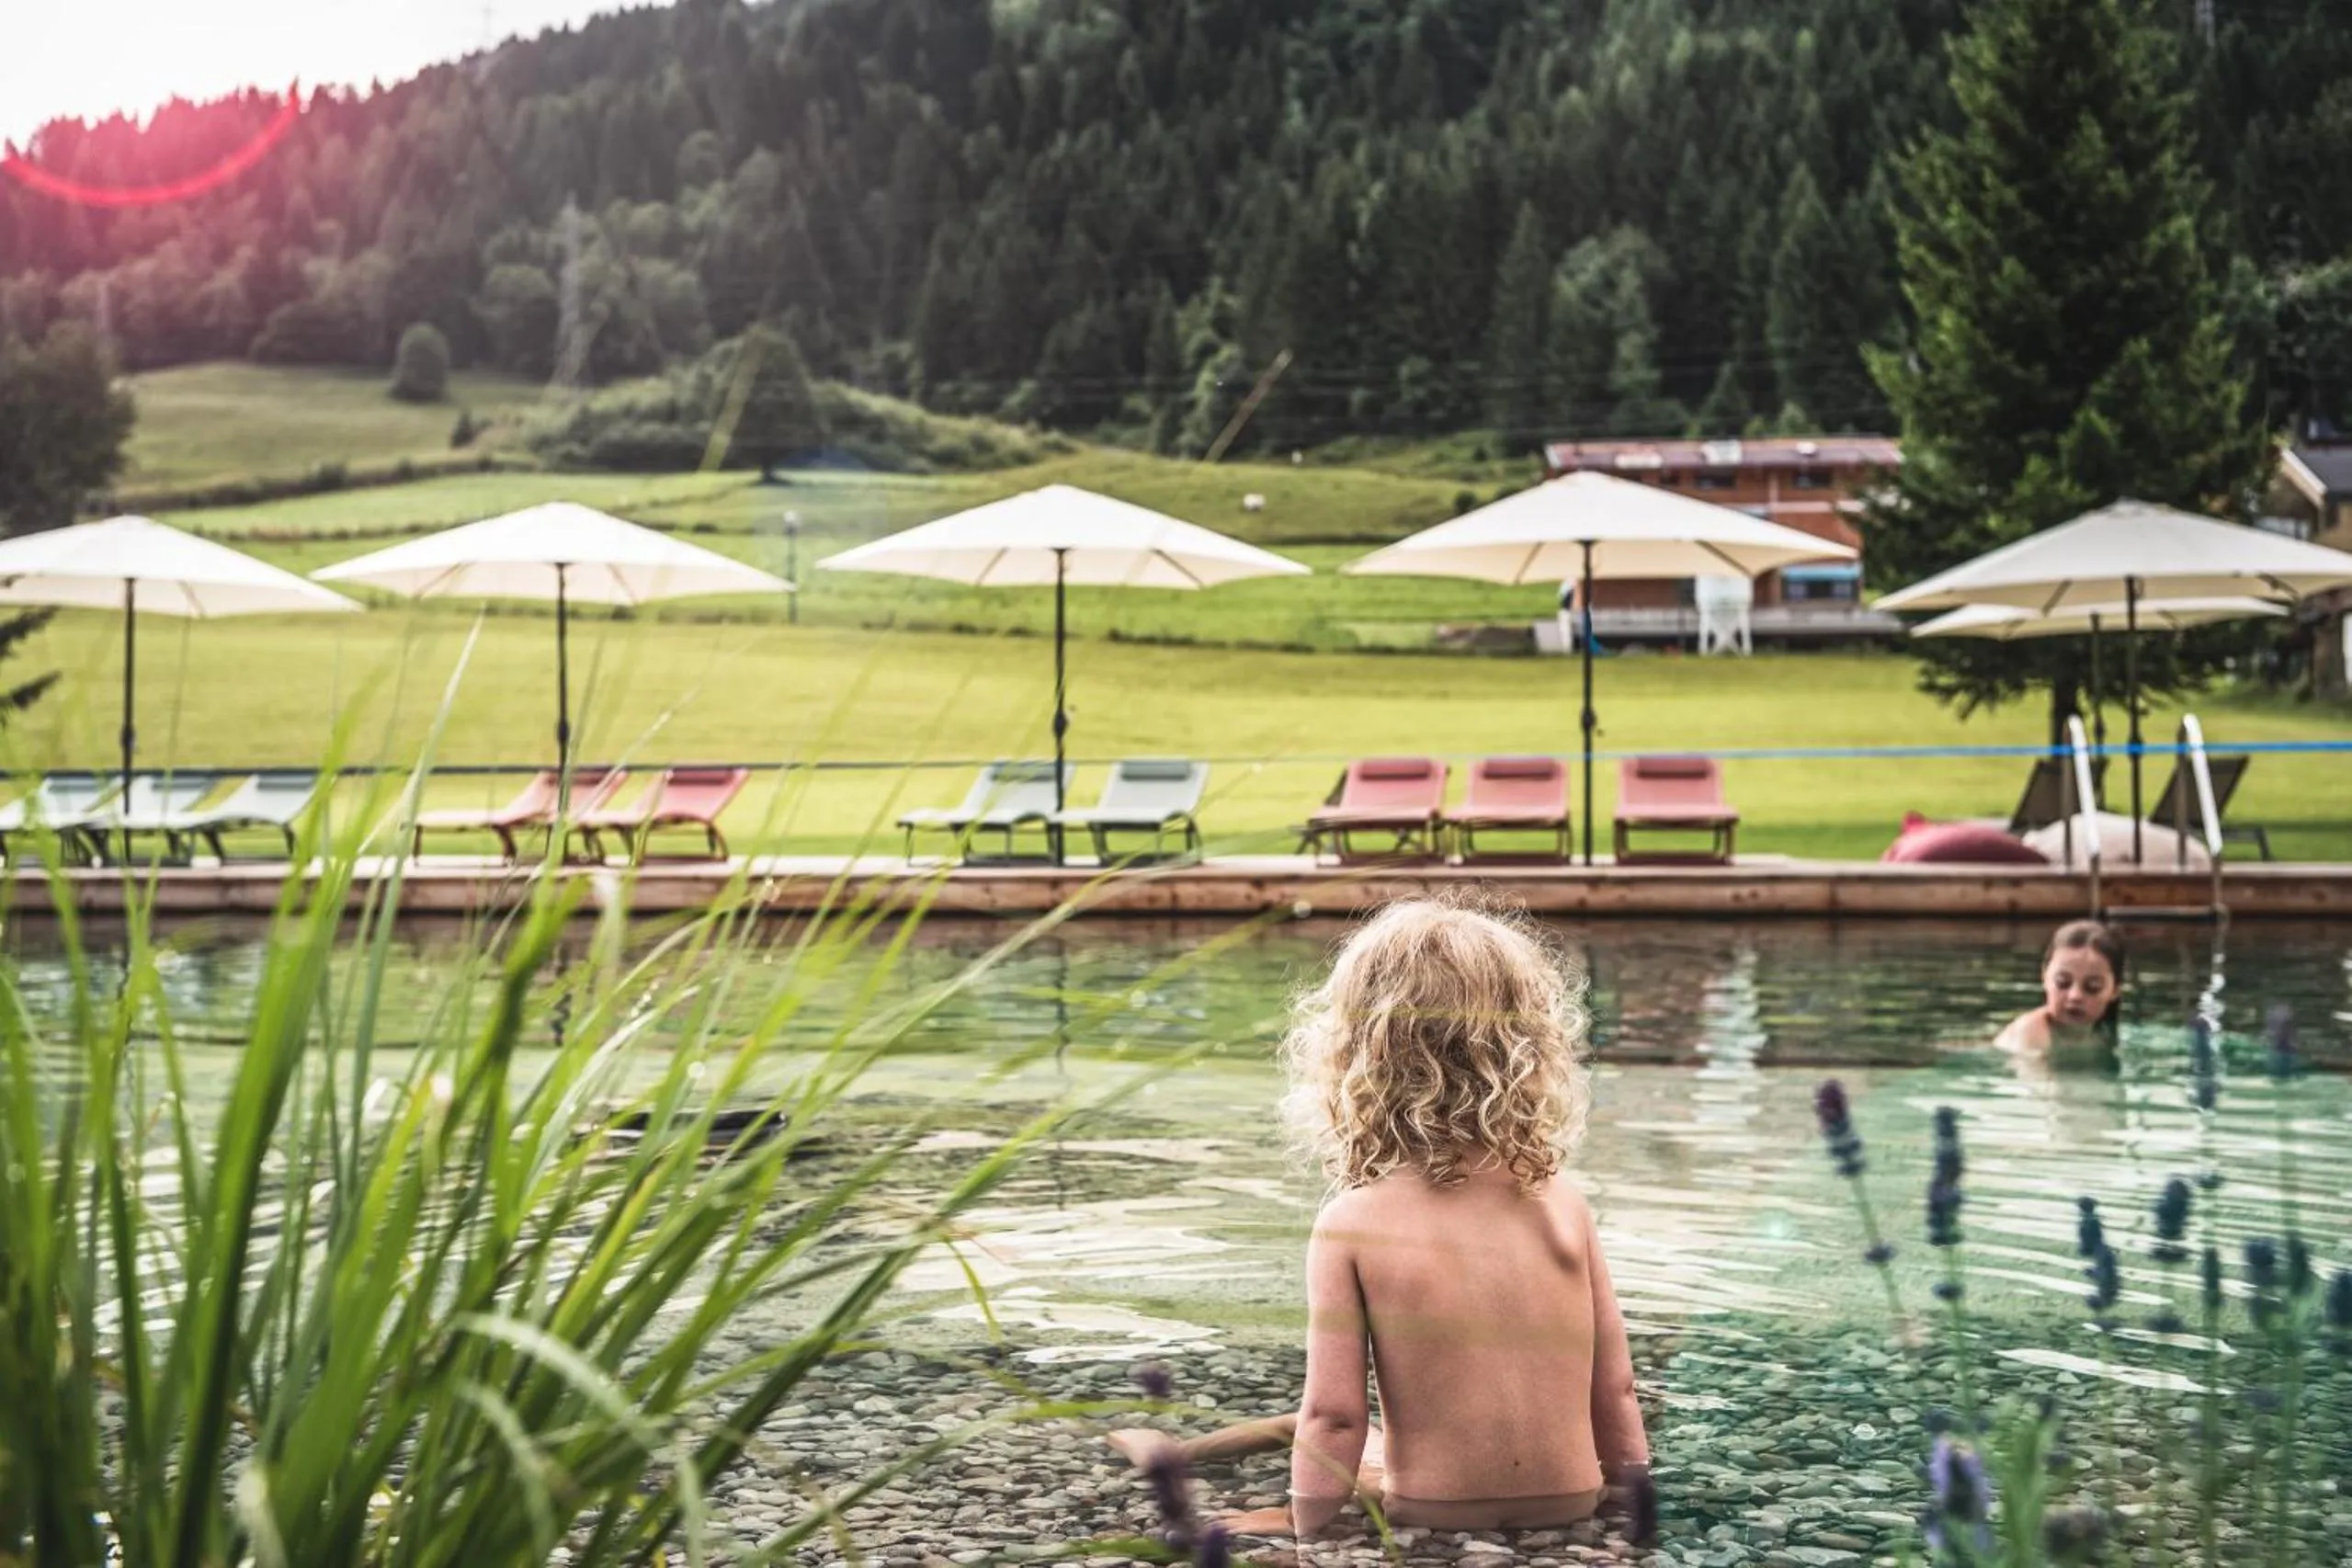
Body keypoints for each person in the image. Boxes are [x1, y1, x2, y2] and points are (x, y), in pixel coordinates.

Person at [1108, 901, 1650, 1539]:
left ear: (1358, 1053)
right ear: (1528, 1049)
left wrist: (1303, 1527)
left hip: (1429, 1509)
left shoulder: (1354, 1221)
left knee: (1299, 1426)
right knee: (1322, 1434)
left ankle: (1173, 1457)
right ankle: (1182, 1454)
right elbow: (1614, 1391)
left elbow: (1334, 1416)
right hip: (1570, 1501)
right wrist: (1624, 1512)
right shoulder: (1562, 1201)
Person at [1994, 919, 2125, 1059]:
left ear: (2115, 991)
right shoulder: (2030, 1034)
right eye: (2062, 983)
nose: (2075, 996)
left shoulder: (2104, 1032)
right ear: (2044, 978)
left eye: (2092, 987)